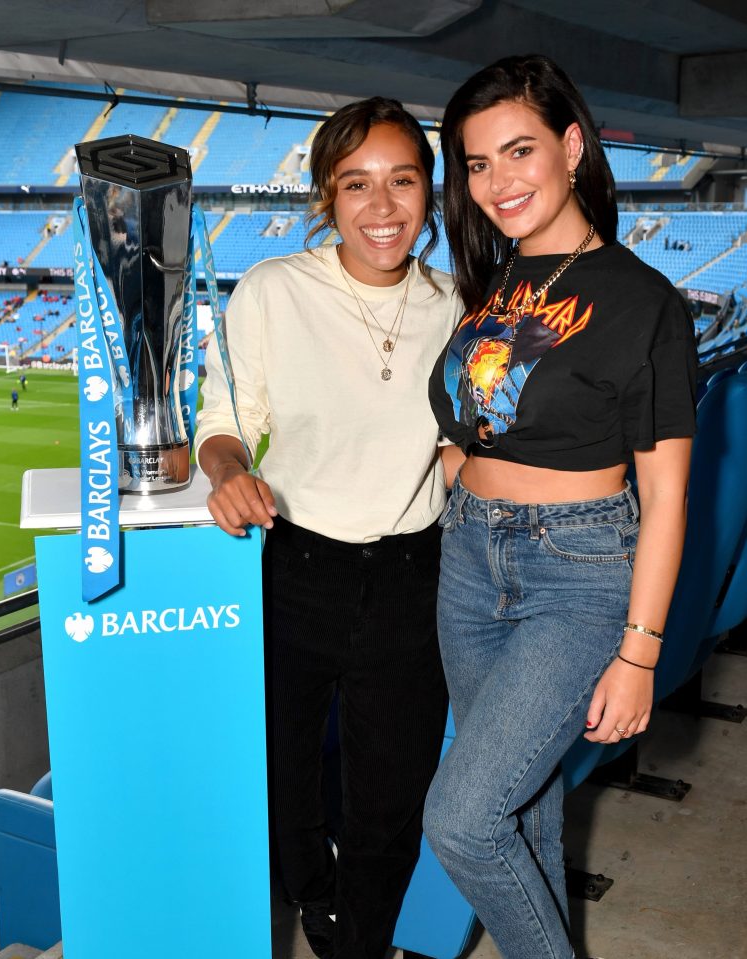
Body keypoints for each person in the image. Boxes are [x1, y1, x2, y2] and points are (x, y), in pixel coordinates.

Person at [423, 55, 697, 959]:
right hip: (467, 563)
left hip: (576, 573)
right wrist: (461, 462)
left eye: (519, 151)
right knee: (520, 810)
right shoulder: (495, 281)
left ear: (571, 146)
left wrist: (639, 651)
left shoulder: (643, 302)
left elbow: (664, 493)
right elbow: (476, 418)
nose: (498, 182)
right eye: (475, 165)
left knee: (461, 819)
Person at [195, 97, 462, 959]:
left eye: (401, 182)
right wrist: (230, 470)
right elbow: (225, 418)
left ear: (429, 192)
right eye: (356, 184)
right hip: (295, 565)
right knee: (280, 779)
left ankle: (358, 941)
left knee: (390, 798)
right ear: (325, 195)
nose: (381, 208)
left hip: (413, 578)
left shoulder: (458, 306)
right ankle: (316, 897)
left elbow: (466, 442)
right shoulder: (274, 290)